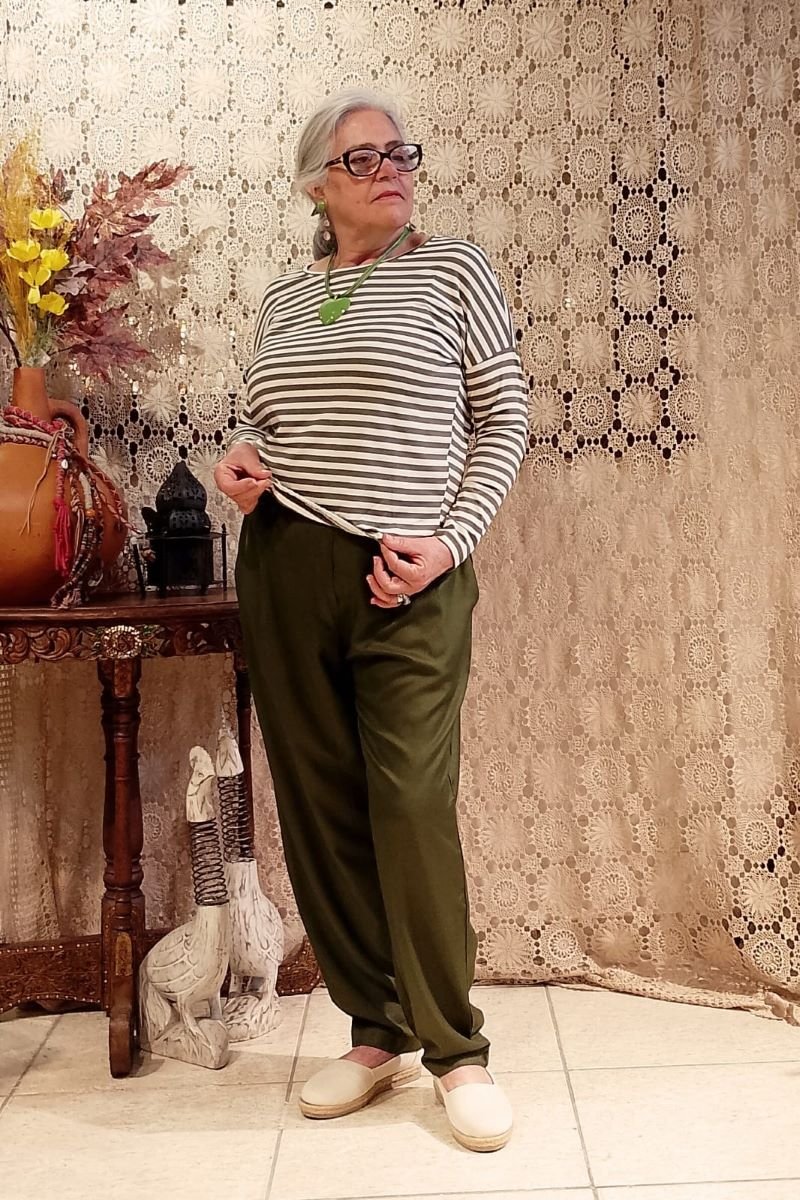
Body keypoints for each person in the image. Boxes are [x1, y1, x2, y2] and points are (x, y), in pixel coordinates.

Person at [214, 88, 528, 1153]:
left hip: (409, 574)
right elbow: (263, 416)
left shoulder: (454, 270)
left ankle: (457, 1049)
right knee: (321, 807)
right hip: (285, 564)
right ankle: (374, 1029)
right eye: (364, 157)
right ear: (317, 185)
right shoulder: (285, 297)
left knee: (409, 804)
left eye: (401, 152)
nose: (392, 168)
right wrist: (243, 455)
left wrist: (451, 542)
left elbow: (503, 414)